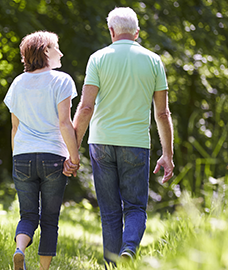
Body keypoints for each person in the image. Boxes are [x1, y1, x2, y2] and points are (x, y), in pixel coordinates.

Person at [64, 7, 175, 267]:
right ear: (136, 32)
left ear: (111, 31)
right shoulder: (153, 60)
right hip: (136, 144)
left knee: (110, 212)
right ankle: (128, 249)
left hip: (101, 143)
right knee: (135, 208)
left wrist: (73, 148)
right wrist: (167, 154)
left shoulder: (98, 58)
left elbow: (86, 107)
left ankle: (112, 264)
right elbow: (162, 113)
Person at [4, 31, 80, 270]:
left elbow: (15, 127)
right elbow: (64, 123)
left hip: (23, 156)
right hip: (52, 157)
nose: (61, 52)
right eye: (57, 47)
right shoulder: (62, 80)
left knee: (27, 215)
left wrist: (16, 159)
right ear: (46, 51)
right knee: (49, 220)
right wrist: (74, 157)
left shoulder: (17, 83)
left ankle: (19, 249)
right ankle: (43, 269)